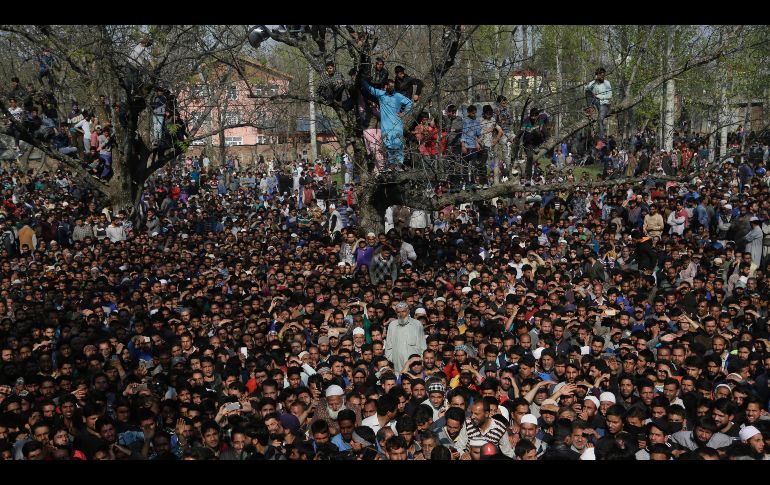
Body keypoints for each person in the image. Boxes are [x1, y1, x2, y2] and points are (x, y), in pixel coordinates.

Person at [360, 78, 413, 170]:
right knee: (387, 145)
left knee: (398, 144)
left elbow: (409, 103)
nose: (392, 87)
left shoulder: (398, 96)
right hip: (386, 126)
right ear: (386, 86)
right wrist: (362, 78)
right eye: (390, 85)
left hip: (397, 125)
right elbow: (369, 88)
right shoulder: (381, 94)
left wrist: (403, 113)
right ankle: (390, 165)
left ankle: (398, 165)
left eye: (393, 86)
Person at [384, 302, 426, 372]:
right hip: (397, 365)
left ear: (408, 311)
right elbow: (388, 347)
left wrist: (420, 361)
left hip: (415, 365)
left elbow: (423, 345)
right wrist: (393, 361)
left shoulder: (417, 324)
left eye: (403, 311)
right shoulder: (392, 325)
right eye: (398, 312)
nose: (401, 314)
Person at [585, 67, 612, 147]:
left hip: (605, 104)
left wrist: (598, 96)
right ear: (597, 75)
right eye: (601, 76)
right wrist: (594, 81)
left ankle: (601, 138)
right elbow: (587, 89)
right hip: (596, 102)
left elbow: (609, 95)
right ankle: (590, 108)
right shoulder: (593, 83)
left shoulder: (607, 83)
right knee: (588, 91)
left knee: (600, 120)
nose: (603, 77)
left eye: (604, 75)